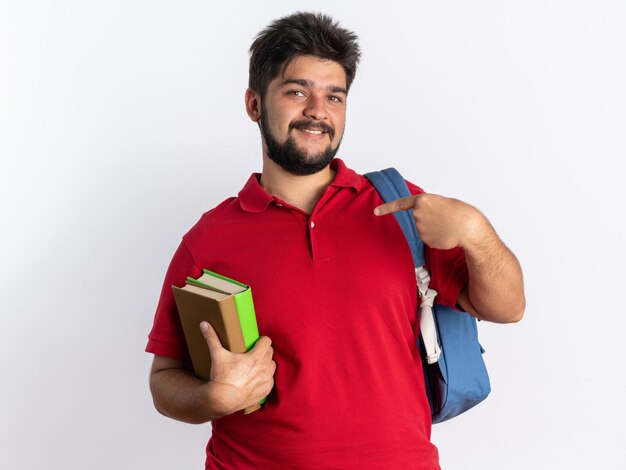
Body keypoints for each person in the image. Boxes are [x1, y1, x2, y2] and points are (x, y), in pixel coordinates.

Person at [146, 11, 525, 470]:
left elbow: (509, 308)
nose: (317, 111)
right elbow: (165, 380)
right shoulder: (208, 240)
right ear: (254, 105)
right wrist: (212, 397)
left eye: (334, 96)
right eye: (296, 91)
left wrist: (474, 231)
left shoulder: (402, 208)